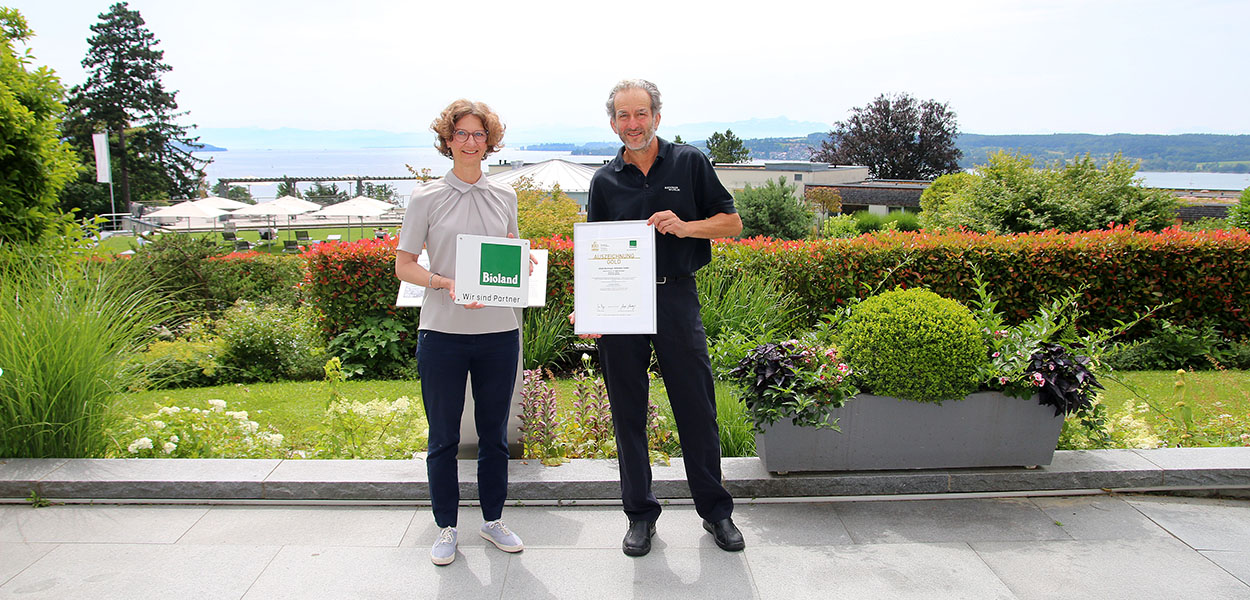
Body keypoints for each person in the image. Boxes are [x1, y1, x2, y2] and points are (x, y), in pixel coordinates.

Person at [578, 79, 745, 556]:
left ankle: (716, 512)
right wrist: (589, 303)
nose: (633, 124)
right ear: (613, 123)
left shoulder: (690, 162)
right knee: (627, 413)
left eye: (641, 113)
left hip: (675, 297)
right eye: (623, 116)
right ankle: (639, 516)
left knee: (697, 408)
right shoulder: (604, 180)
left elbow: (732, 223)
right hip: (621, 307)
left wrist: (686, 226)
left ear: (656, 116)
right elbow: (596, 251)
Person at [394, 99, 524, 566]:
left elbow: (508, 250)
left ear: (490, 142)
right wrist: (444, 283)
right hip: (442, 333)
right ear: (448, 140)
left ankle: (492, 520)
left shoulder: (505, 196)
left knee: (494, 436)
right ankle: (446, 527)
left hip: (498, 333)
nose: (471, 142)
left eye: (479, 134)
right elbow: (405, 265)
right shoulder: (425, 197)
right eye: (462, 134)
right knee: (443, 437)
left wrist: (522, 264)